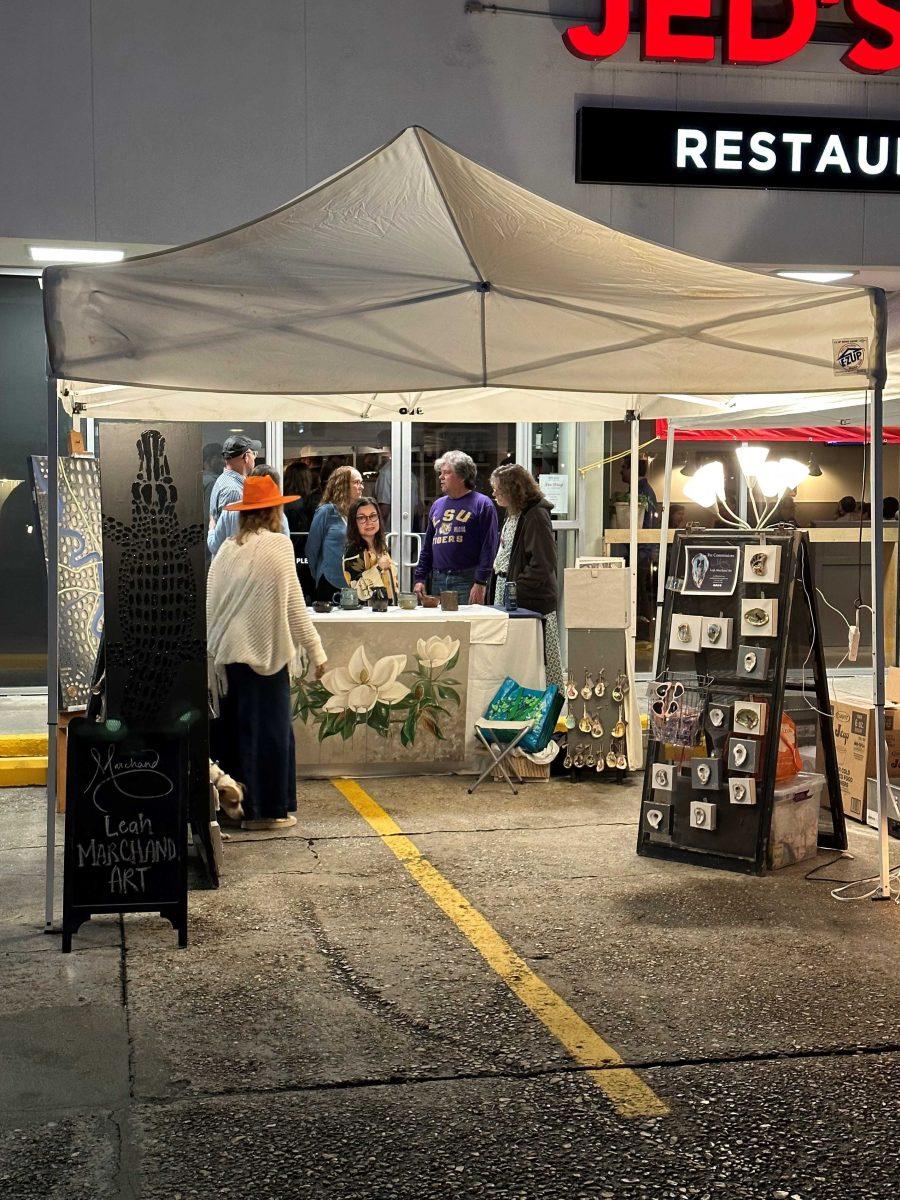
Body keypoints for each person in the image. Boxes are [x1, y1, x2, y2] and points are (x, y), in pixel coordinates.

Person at [206, 473, 327, 831]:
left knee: (235, 731)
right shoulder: (279, 546)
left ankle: (235, 808)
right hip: (266, 656)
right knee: (271, 734)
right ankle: (267, 812)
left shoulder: (227, 548)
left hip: (227, 659)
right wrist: (317, 651)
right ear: (274, 510)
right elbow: (294, 607)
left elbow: (210, 605)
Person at [490, 464, 563, 690]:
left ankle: (543, 706)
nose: (494, 494)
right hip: (512, 594)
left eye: (498, 490)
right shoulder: (515, 513)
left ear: (513, 491)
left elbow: (543, 563)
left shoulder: (535, 516)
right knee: (516, 660)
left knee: (538, 661)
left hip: (530, 602)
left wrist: (516, 588)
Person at [414, 450, 498, 605]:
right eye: (441, 473)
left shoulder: (482, 504)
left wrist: (480, 582)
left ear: (462, 475)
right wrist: (420, 578)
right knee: (438, 628)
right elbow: (428, 546)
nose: (441, 477)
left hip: (467, 579)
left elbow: (489, 546)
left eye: (446, 473)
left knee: (466, 627)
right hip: (437, 578)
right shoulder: (437, 505)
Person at [207, 464, 291, 558]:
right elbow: (285, 553)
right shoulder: (279, 517)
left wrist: (211, 529)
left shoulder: (229, 511)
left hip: (235, 570)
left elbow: (214, 546)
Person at [306, 465, 364, 600]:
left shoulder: (361, 512)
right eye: (356, 482)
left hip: (357, 583)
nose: (361, 487)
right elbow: (311, 550)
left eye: (361, 482)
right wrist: (319, 574)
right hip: (330, 580)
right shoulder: (326, 511)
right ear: (342, 485)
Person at [343, 496, 399, 602]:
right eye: (361, 518)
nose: (369, 522)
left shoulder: (381, 546)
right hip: (366, 614)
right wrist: (378, 568)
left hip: (387, 609)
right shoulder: (353, 551)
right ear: (354, 523)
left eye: (373, 516)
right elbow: (357, 592)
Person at [208, 434, 262, 524]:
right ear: (246, 457)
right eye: (254, 454)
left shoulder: (223, 480)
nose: (255, 458)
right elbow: (233, 535)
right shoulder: (234, 491)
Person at [202, 442, 223, 521]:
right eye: (219, 457)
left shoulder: (198, 479)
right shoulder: (213, 483)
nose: (223, 461)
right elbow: (210, 517)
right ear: (209, 459)